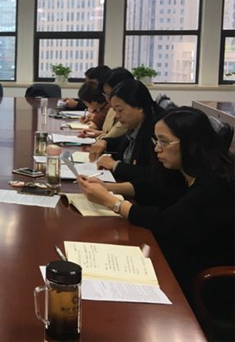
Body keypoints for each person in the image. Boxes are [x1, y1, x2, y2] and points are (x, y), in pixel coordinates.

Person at [78, 107, 235, 300]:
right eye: (157, 140)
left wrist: (111, 202)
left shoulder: (214, 184)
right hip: (172, 254)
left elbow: (166, 222)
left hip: (199, 278)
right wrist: (108, 187)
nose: (157, 148)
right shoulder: (186, 170)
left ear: (192, 144)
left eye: (164, 142)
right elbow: (155, 187)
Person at [89, 79, 162, 181]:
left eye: (120, 110)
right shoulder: (135, 126)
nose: (117, 116)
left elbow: (153, 176)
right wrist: (104, 142)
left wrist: (116, 165)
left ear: (139, 107)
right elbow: (121, 140)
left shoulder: (155, 133)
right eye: (115, 110)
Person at [78, 67, 132, 140]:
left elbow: (111, 138)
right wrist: (97, 133)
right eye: (105, 94)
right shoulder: (112, 109)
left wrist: (102, 137)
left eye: (109, 94)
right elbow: (109, 134)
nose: (106, 99)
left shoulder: (127, 114)